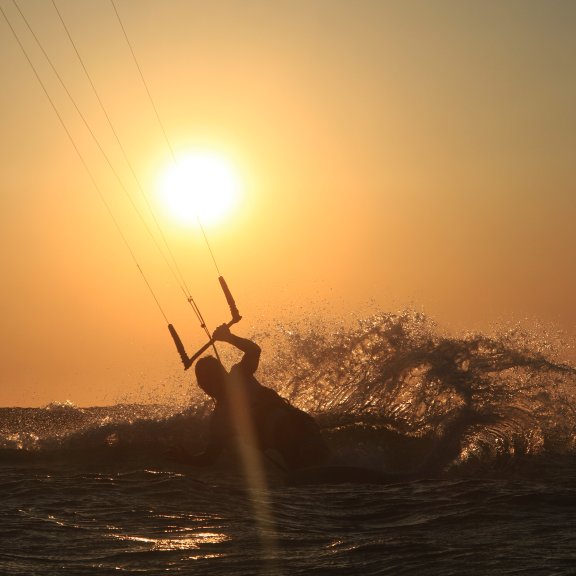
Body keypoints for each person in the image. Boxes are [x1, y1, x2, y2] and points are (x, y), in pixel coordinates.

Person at [189, 324, 331, 471]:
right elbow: (209, 458)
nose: (210, 386)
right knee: (299, 463)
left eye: (213, 379)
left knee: (311, 454)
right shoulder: (219, 419)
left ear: (222, 373)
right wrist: (185, 459)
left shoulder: (239, 375)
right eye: (205, 383)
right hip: (283, 445)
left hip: (297, 425)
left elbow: (253, 350)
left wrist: (229, 338)